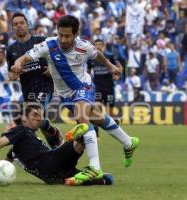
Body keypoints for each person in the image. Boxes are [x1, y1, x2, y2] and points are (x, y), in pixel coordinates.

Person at [11, 15, 139, 185]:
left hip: (83, 87)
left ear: (76, 34)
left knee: (83, 120)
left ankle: (95, 167)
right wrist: (18, 64)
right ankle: (129, 142)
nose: (63, 39)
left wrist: (111, 66)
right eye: (61, 35)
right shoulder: (48, 45)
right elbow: (25, 57)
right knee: (98, 119)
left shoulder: (83, 46)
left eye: (67, 36)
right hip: (66, 96)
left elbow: (97, 54)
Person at [0, 104, 114, 186]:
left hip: (52, 175)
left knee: (106, 180)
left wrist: (4, 166)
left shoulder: (18, 148)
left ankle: (79, 139)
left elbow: (7, 159)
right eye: (34, 115)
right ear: (24, 118)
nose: (38, 118)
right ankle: (80, 134)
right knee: (85, 129)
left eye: (40, 116)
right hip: (51, 161)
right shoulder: (21, 130)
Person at [6, 12, 62, 148]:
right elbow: (11, 76)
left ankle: (52, 139)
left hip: (44, 86)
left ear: (27, 24)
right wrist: (16, 72)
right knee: (39, 122)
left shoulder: (41, 40)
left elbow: (59, 60)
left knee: (34, 117)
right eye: (15, 24)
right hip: (28, 91)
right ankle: (56, 148)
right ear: (12, 28)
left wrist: (52, 71)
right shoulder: (11, 49)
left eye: (21, 23)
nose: (19, 26)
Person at [87, 39, 123, 136]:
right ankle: (96, 133)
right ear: (93, 46)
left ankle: (116, 126)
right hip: (97, 85)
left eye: (100, 44)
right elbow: (88, 71)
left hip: (108, 85)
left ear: (103, 46)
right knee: (96, 108)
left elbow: (119, 66)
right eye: (96, 44)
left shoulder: (110, 56)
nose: (98, 46)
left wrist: (117, 75)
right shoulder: (91, 58)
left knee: (110, 111)